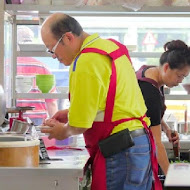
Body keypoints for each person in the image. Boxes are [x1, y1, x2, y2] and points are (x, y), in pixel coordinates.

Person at [40, 13, 162, 190]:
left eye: (52, 49)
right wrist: (70, 113)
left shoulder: (86, 60)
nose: (53, 56)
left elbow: (80, 124)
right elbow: (113, 98)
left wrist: (63, 131)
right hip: (138, 143)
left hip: (120, 149)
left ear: (68, 38)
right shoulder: (111, 47)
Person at [136, 40, 190, 175]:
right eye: (179, 76)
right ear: (166, 67)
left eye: (184, 77)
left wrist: (166, 129)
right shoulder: (150, 92)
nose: (181, 81)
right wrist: (172, 178)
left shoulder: (149, 71)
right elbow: (157, 144)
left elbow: (150, 114)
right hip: (134, 152)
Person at [16, 26, 58, 125]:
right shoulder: (42, 67)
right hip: (38, 119)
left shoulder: (6, 66)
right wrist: (54, 124)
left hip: (14, 117)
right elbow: (51, 101)